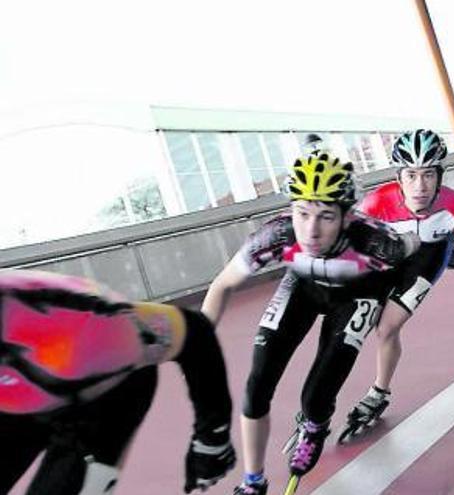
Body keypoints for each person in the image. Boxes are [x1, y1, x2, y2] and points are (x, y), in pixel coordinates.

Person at [201, 153, 420, 495]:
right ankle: (252, 482)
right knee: (256, 387)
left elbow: (421, 253)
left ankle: (316, 425)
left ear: (348, 217)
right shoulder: (277, 235)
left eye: (326, 217)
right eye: (302, 213)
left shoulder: (379, 242)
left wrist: (394, 305)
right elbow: (221, 285)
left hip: (356, 295)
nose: (311, 230)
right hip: (302, 289)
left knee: (316, 397)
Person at [0, 269, 235, 494]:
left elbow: (195, 332)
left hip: (103, 394)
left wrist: (212, 438)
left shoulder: (86, 325)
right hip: (23, 386)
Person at [340, 129, 454, 440]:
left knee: (387, 328)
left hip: (429, 257)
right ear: (399, 176)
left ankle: (378, 392)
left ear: (440, 175)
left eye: (429, 175)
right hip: (392, 253)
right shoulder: (376, 202)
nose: (420, 186)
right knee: (357, 321)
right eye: (411, 176)